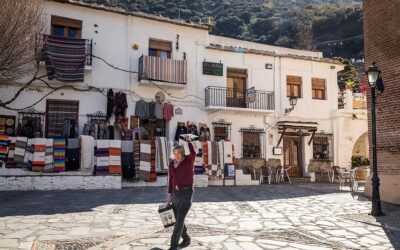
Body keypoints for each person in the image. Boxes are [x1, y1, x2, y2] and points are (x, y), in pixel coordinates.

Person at [167, 136, 195, 250]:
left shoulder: (189, 161)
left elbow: (193, 152)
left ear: (183, 153)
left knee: (179, 220)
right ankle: (186, 238)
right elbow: (170, 180)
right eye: (175, 153)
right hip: (175, 194)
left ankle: (173, 246)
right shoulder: (171, 163)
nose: (177, 155)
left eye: (179, 153)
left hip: (186, 193)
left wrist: (189, 142)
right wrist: (169, 195)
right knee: (177, 218)